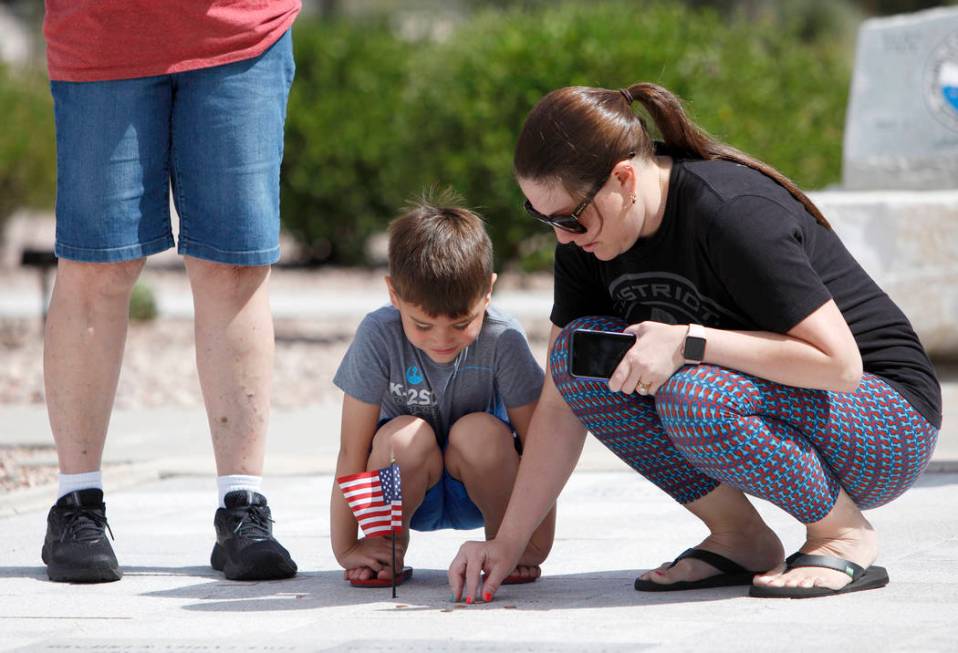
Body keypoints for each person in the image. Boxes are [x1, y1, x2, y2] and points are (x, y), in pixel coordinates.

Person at [449, 82, 941, 602]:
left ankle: (843, 533)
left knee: (694, 394)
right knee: (577, 357)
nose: (563, 237)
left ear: (623, 178)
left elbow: (839, 365)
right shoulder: (587, 242)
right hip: (780, 402)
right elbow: (560, 400)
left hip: (887, 422)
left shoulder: (731, 211)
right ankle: (741, 538)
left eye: (570, 217)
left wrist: (690, 342)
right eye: (543, 217)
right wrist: (507, 543)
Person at [40, 1, 301, 583]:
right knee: (97, 265)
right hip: (102, 30)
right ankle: (76, 505)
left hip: (240, 28)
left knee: (233, 266)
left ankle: (244, 508)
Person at [331, 195, 554, 589]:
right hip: (406, 485)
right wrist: (347, 547)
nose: (442, 340)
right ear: (393, 293)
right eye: (422, 325)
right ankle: (386, 546)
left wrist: (533, 544)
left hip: (485, 483)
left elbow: (540, 448)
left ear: (488, 291)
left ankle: (504, 541)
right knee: (402, 437)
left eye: (461, 323)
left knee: (479, 431)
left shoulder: (503, 338)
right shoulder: (378, 335)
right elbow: (352, 448)